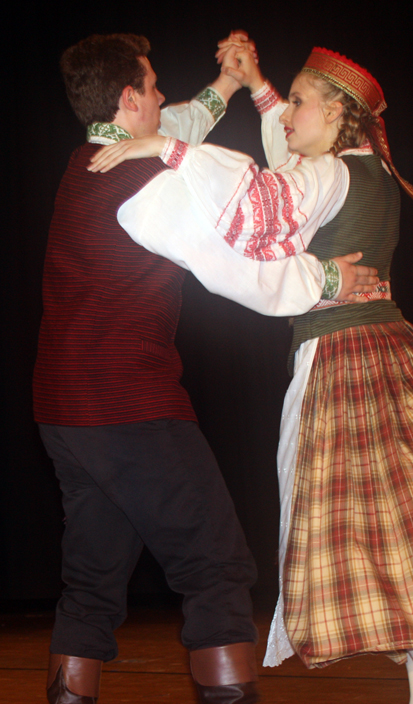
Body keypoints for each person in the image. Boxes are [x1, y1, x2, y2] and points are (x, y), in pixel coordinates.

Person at [90, 38, 413, 704]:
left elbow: (265, 206)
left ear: (338, 116)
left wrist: (166, 149)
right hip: (387, 353)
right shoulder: (364, 169)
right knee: (401, 551)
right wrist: (258, 88)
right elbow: (289, 170)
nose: (287, 117)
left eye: (301, 105)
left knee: (387, 552)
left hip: (346, 367)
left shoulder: (332, 174)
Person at [36, 32, 379, 704]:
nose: (166, 98)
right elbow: (238, 268)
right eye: (156, 86)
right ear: (130, 98)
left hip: (63, 411)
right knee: (216, 565)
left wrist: (230, 83)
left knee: (93, 577)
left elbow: (175, 125)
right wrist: (328, 277)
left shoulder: (88, 160)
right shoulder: (147, 187)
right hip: (129, 407)